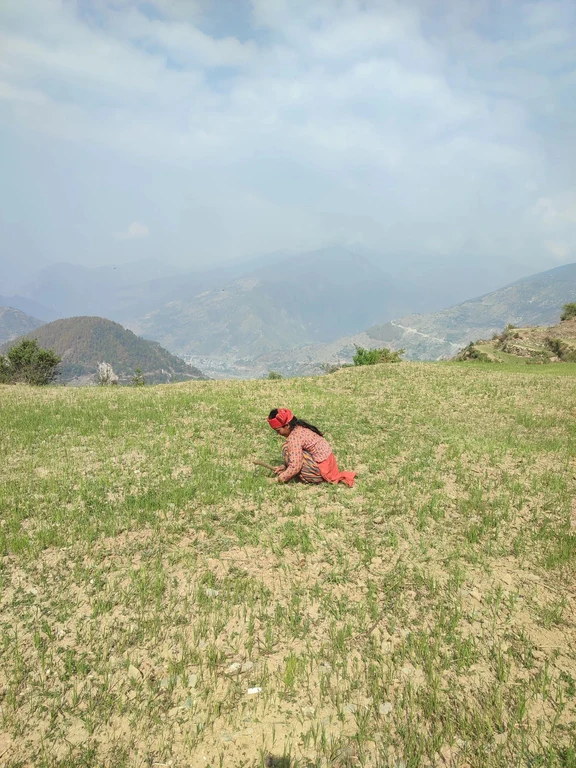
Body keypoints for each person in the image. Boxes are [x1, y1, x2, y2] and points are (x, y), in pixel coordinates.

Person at [267, 408, 356, 487]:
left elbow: (295, 466)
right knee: (289, 449)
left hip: (322, 471)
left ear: (287, 426)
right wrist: (284, 466)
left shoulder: (294, 438)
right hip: (330, 465)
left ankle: (312, 476)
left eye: (278, 431)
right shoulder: (300, 428)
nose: (278, 434)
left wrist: (279, 478)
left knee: (286, 449)